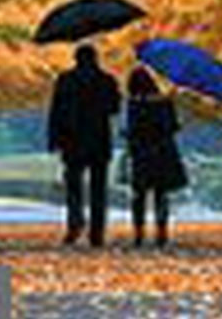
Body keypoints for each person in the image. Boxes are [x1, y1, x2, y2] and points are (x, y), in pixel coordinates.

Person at [47, 44, 121, 246]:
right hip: (99, 140)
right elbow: (115, 109)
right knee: (99, 189)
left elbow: (56, 111)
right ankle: (97, 232)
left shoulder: (65, 80)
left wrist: (54, 139)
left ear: (76, 59)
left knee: (74, 187)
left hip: (72, 140)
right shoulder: (107, 81)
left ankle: (75, 223)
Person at [124, 66, 188, 247]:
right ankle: (162, 231)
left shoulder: (134, 105)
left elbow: (133, 131)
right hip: (162, 153)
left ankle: (139, 233)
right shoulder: (164, 103)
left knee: (139, 195)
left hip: (141, 154)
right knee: (161, 194)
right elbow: (173, 127)